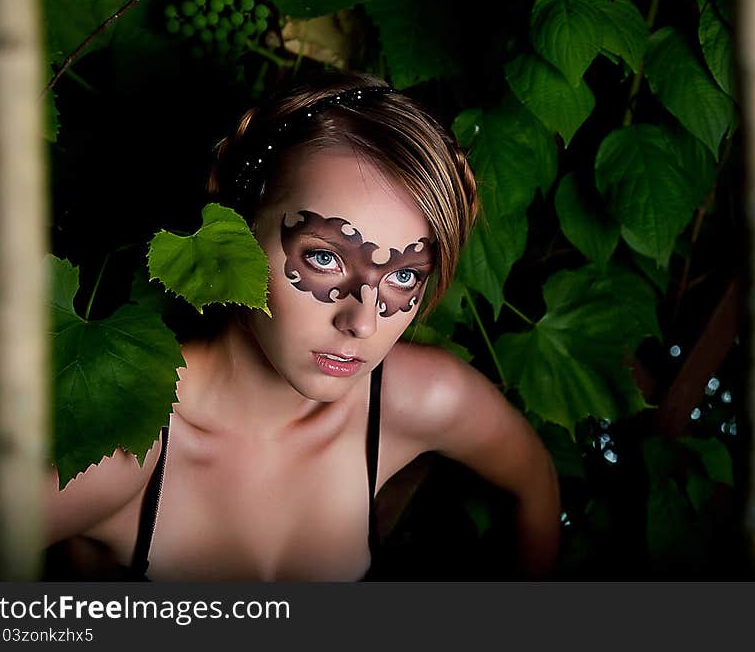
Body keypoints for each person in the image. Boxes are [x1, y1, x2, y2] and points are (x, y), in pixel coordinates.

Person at [44, 71, 561, 581]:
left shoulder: (416, 401)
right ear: (238, 223)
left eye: (403, 275)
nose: (360, 321)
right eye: (323, 258)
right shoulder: (116, 457)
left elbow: (536, 486)